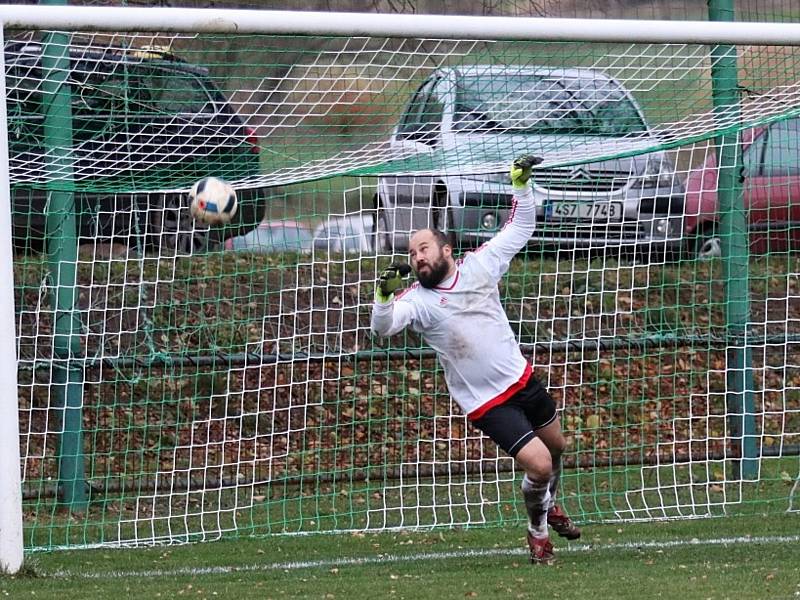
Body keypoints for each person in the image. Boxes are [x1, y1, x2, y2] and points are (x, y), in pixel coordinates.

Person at [370, 155, 580, 564]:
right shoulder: (417, 302)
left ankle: (547, 502)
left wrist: (520, 184)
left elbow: (520, 226)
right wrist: (382, 298)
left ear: (446, 249)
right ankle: (538, 533)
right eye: (412, 253)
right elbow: (383, 328)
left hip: (523, 381)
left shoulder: (481, 265)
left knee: (556, 450)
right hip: (488, 402)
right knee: (538, 465)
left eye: (424, 248)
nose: (417, 257)